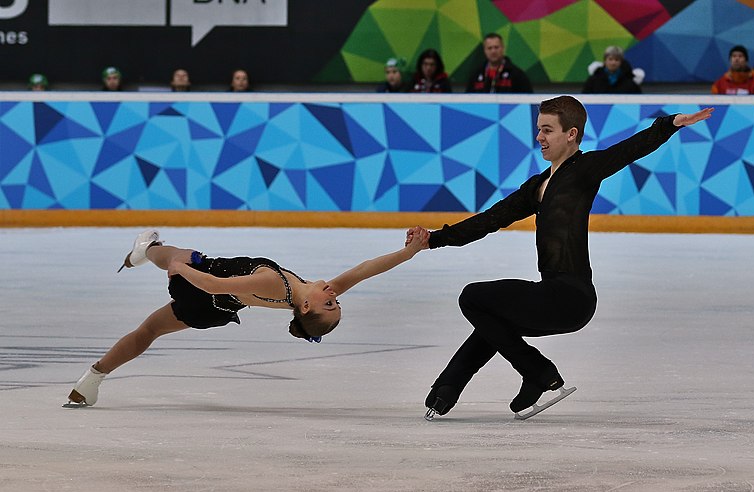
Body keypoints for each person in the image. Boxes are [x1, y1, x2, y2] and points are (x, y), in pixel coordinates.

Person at [412, 96, 713, 420]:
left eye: (547, 130)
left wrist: (668, 124)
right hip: (552, 295)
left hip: (571, 296)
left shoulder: (584, 170)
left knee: (472, 297)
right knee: (493, 320)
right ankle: (446, 391)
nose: (539, 137)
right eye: (539, 129)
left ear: (571, 134)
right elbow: (491, 219)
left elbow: (628, 150)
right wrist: (435, 239)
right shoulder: (538, 186)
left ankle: (539, 371)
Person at [64, 228, 430, 407]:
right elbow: (366, 270)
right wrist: (410, 252)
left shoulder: (274, 282)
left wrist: (179, 268)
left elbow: (212, 282)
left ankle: (145, 252)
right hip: (216, 311)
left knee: (182, 255)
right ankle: (89, 382)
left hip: (202, 286)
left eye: (330, 304)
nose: (334, 295)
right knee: (149, 331)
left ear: (307, 309)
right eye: (336, 301)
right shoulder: (304, 292)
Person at [466, 33, 532, 93]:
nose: (493, 51)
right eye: (489, 48)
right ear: (485, 50)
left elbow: (528, 100)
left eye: (496, 47)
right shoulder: (476, 75)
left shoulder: (517, 75)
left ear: (503, 48)